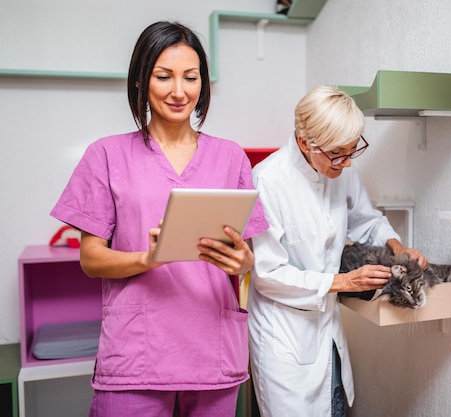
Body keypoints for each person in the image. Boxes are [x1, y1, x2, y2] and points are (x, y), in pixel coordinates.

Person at [50, 21, 268, 417]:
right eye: (163, 76)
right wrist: (145, 259)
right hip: (137, 357)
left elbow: (247, 253)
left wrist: (244, 262)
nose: (179, 91)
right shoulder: (106, 155)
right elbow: (90, 259)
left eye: (191, 77)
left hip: (212, 353)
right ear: (140, 81)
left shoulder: (231, 157)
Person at [247, 85, 428, 417]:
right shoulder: (268, 181)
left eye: (352, 150)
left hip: (326, 329)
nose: (345, 162)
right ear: (304, 142)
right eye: (336, 154)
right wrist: (345, 282)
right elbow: (267, 274)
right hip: (284, 335)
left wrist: (397, 246)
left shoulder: (338, 168)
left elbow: (365, 220)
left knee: (334, 406)